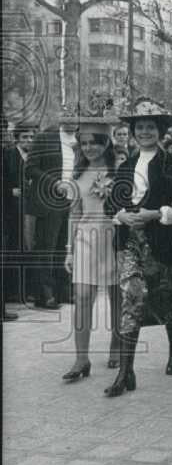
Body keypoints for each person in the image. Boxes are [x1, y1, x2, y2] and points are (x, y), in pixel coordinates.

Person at [104, 98, 172, 397]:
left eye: (150, 127)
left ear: (159, 131)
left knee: (166, 297)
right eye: (140, 127)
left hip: (161, 243)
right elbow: (112, 204)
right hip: (131, 244)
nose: (145, 132)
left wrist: (157, 214)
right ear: (132, 131)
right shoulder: (126, 165)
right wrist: (120, 215)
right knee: (131, 300)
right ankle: (126, 372)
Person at [61, 114, 119, 382]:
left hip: (114, 239)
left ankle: (117, 344)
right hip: (86, 238)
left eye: (95, 142)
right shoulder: (78, 174)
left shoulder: (120, 171)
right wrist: (69, 249)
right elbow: (74, 214)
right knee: (83, 296)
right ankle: (81, 358)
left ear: (106, 142)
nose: (89, 148)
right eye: (84, 143)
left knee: (117, 296)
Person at [25, 116, 79, 309]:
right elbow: (30, 168)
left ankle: (63, 291)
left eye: (76, 115)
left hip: (72, 200)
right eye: (68, 114)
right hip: (48, 199)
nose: (72, 120)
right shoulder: (45, 137)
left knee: (65, 246)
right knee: (46, 246)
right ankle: (44, 294)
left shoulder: (82, 140)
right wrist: (55, 183)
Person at [3, 121, 35, 314]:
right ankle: (12, 292)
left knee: (28, 246)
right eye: (25, 137)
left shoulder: (34, 156)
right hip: (10, 210)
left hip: (29, 207)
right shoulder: (7, 155)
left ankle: (25, 290)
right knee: (13, 247)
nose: (29, 141)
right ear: (17, 139)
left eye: (31, 137)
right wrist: (9, 191)